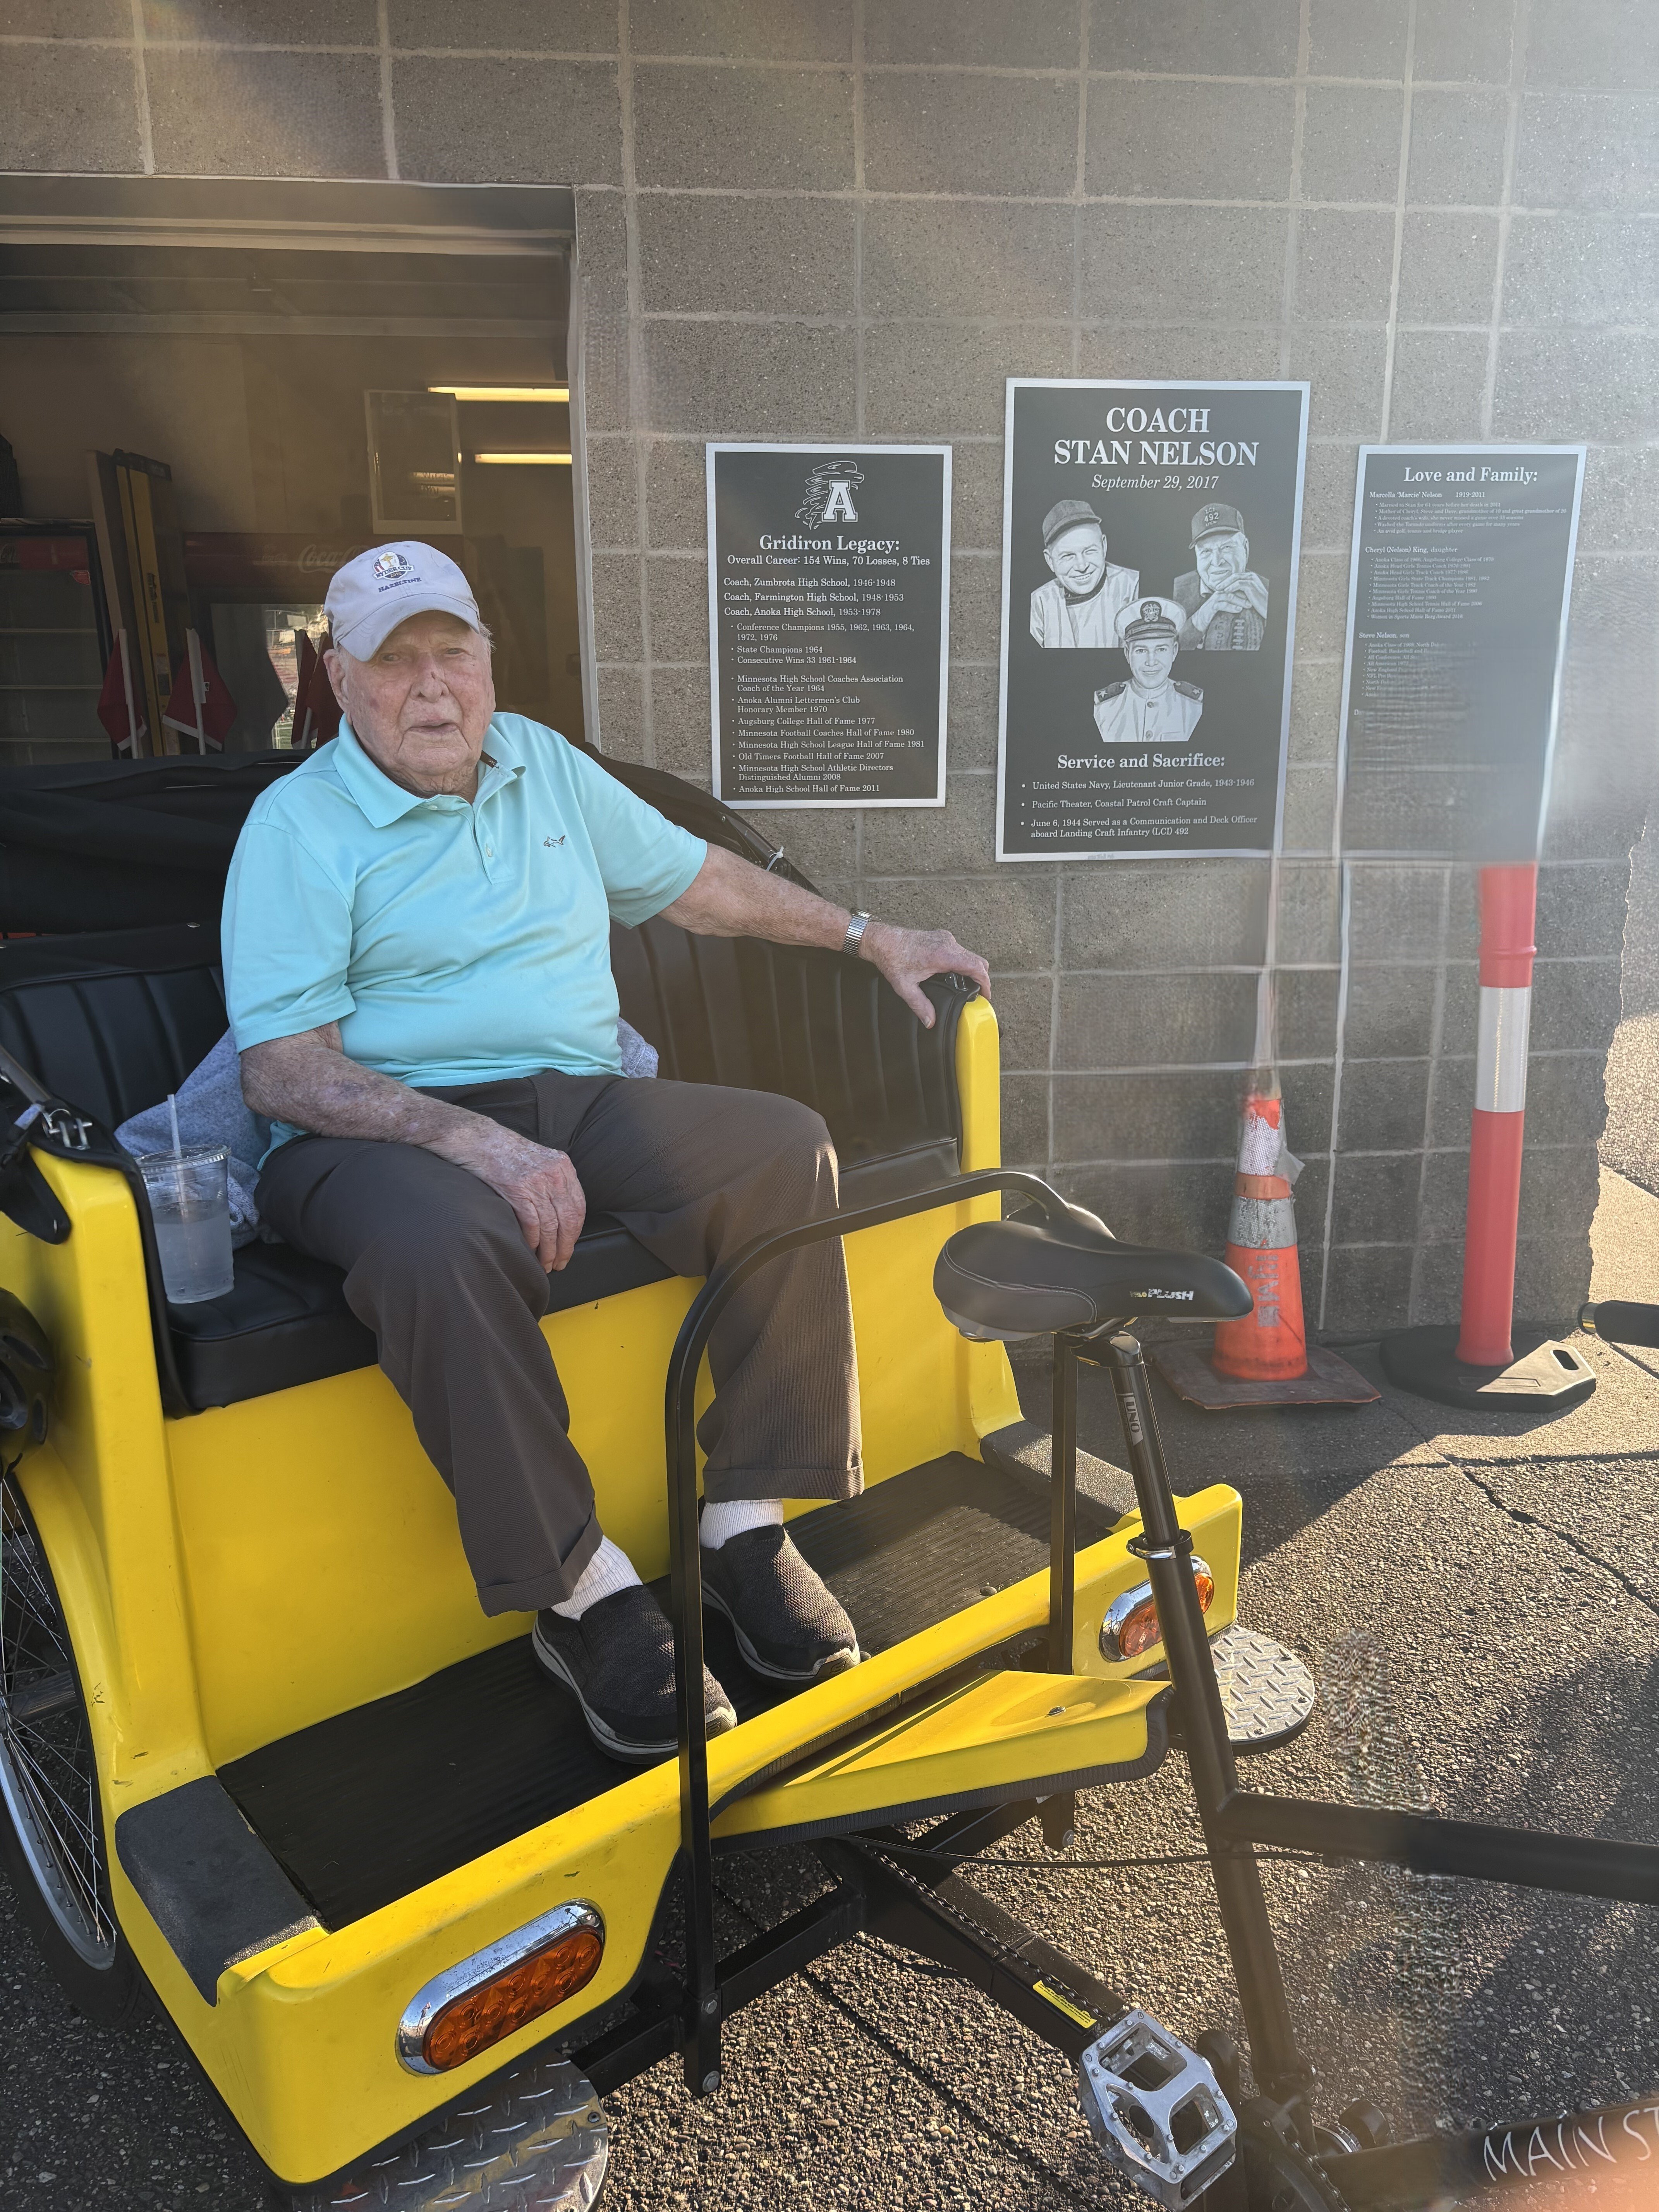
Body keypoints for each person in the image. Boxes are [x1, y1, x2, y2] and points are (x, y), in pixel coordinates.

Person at [223, 541, 990, 1766]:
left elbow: (702, 888)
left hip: (573, 1095)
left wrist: (868, 933)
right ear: (339, 675)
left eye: (452, 652)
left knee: (783, 1148)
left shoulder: (543, 765)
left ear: (489, 659)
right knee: (446, 1237)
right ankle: (578, 1584)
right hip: (367, 1127)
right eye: (394, 659)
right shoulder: (296, 823)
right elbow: (282, 1066)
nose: (432, 686)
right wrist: (465, 1135)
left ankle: (744, 1519)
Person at [1028, 499, 1139, 649]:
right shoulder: (1040, 602)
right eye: (1068, 556)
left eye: (1089, 551)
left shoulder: (1133, 587)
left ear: (1104, 546)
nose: (1082, 566)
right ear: (1050, 561)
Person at [1093, 598, 1205, 745]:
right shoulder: (1104, 708)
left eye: (1161, 649)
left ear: (1175, 651)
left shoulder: (1194, 706)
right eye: (1141, 650)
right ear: (1127, 654)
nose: (1151, 662)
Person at [1173, 502, 1268, 651]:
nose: (1217, 562)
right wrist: (1201, 618)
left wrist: (1271, 610)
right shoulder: (1176, 592)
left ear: (1245, 548)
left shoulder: (1268, 591)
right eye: (1206, 552)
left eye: (1227, 547)